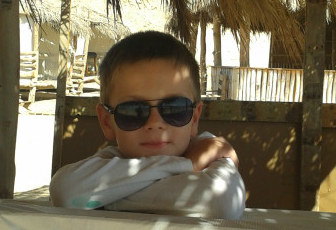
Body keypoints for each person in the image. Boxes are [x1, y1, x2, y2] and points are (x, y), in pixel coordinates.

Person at [50, 31, 245, 220]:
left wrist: (105, 197)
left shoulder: (210, 150)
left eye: (174, 108)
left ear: (194, 118)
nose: (154, 123)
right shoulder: (112, 159)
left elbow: (220, 203)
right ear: (107, 122)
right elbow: (64, 191)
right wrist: (189, 164)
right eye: (133, 110)